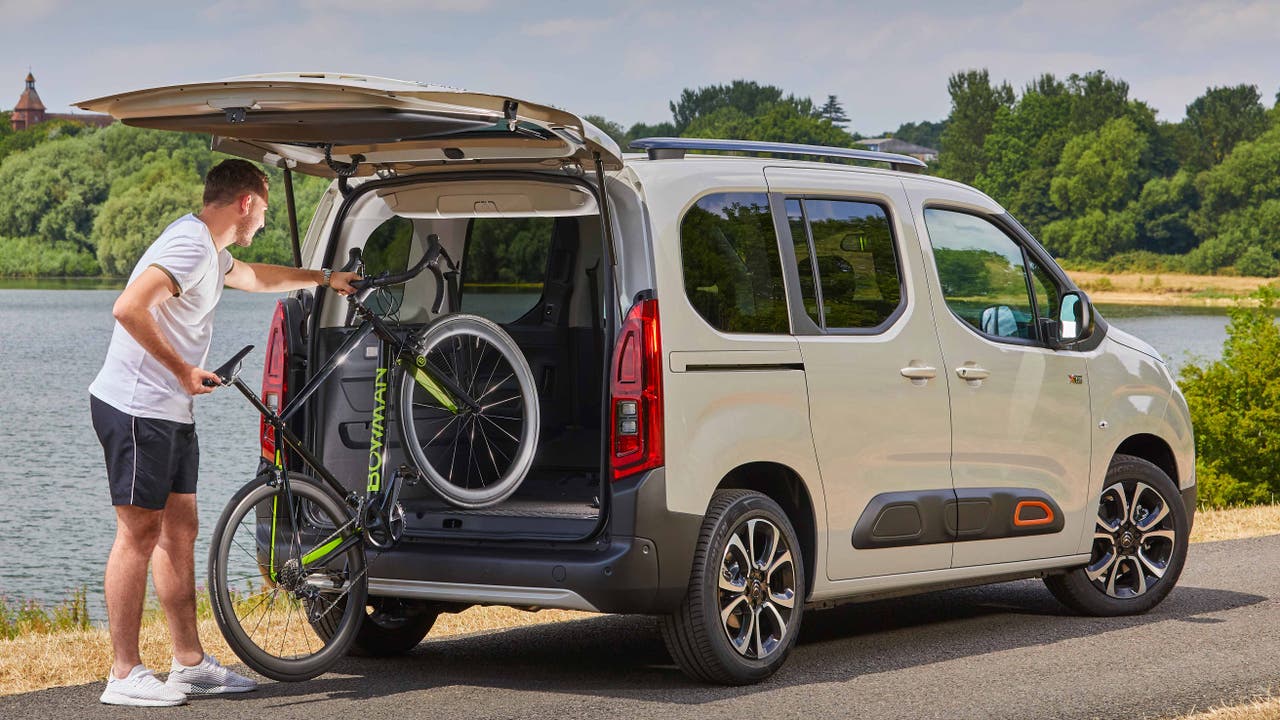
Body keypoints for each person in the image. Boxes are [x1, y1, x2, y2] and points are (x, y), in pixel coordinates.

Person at [88, 159, 359, 707]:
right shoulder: (189, 246)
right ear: (246, 202)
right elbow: (128, 308)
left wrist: (325, 279)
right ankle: (123, 673)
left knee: (179, 530)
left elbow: (256, 276)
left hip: (169, 411)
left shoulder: (209, 251)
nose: (264, 220)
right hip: (139, 407)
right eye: (263, 209)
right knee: (138, 535)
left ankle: (188, 663)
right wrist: (183, 371)